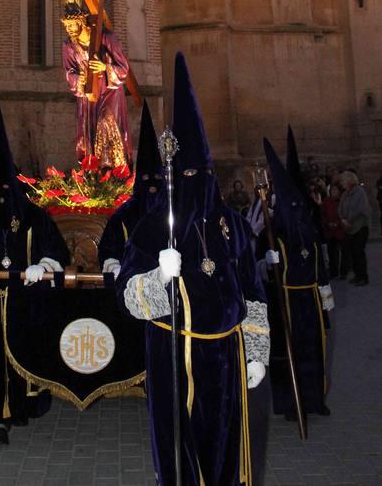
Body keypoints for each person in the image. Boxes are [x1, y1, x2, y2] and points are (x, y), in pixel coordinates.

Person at [117, 52, 270, 485]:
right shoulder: (152, 227)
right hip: (174, 359)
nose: (196, 183)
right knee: (180, 455)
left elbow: (253, 293)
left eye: (202, 173)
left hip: (226, 356)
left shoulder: (234, 226)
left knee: (225, 450)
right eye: (187, 175)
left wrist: (257, 354)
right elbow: (127, 296)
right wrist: (157, 279)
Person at [0, 106, 70, 446]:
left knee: (22, 351)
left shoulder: (32, 216)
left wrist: (43, 264)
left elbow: (55, 249)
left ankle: (24, 404)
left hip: (23, 301)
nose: (0, 197)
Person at [264, 137, 334, 420]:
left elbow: (319, 262)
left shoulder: (309, 232)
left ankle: (315, 399)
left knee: (315, 350)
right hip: (287, 300)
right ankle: (291, 402)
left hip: (311, 299)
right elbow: (259, 267)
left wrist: (326, 292)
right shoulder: (275, 235)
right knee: (288, 352)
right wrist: (268, 263)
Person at [61, 0, 132, 167]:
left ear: (82, 21)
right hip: (87, 94)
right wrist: (80, 78)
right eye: (66, 25)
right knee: (88, 133)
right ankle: (93, 174)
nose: (69, 29)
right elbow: (69, 72)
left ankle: (115, 172)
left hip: (109, 90)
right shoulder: (69, 45)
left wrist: (105, 68)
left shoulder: (106, 38)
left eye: (72, 24)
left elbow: (123, 68)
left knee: (106, 123)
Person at [98, 100, 164, 277]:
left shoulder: (174, 212)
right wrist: (113, 265)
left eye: (157, 179)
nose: (151, 187)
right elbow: (108, 249)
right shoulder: (123, 215)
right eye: (146, 179)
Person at [339, 170, 371, 286]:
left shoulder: (359, 192)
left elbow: (358, 209)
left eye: (342, 180)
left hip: (360, 226)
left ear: (349, 180)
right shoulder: (345, 193)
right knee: (352, 253)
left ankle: (363, 277)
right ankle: (358, 275)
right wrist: (343, 219)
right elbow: (341, 207)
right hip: (349, 227)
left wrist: (349, 220)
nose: (341, 182)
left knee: (359, 252)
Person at [321, 182, 348, 278]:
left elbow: (346, 215)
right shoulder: (326, 201)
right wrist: (328, 224)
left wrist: (338, 223)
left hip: (341, 230)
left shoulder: (343, 201)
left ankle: (343, 272)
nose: (334, 192)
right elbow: (323, 214)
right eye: (332, 190)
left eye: (336, 190)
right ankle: (333, 271)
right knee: (331, 253)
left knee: (344, 252)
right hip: (330, 231)